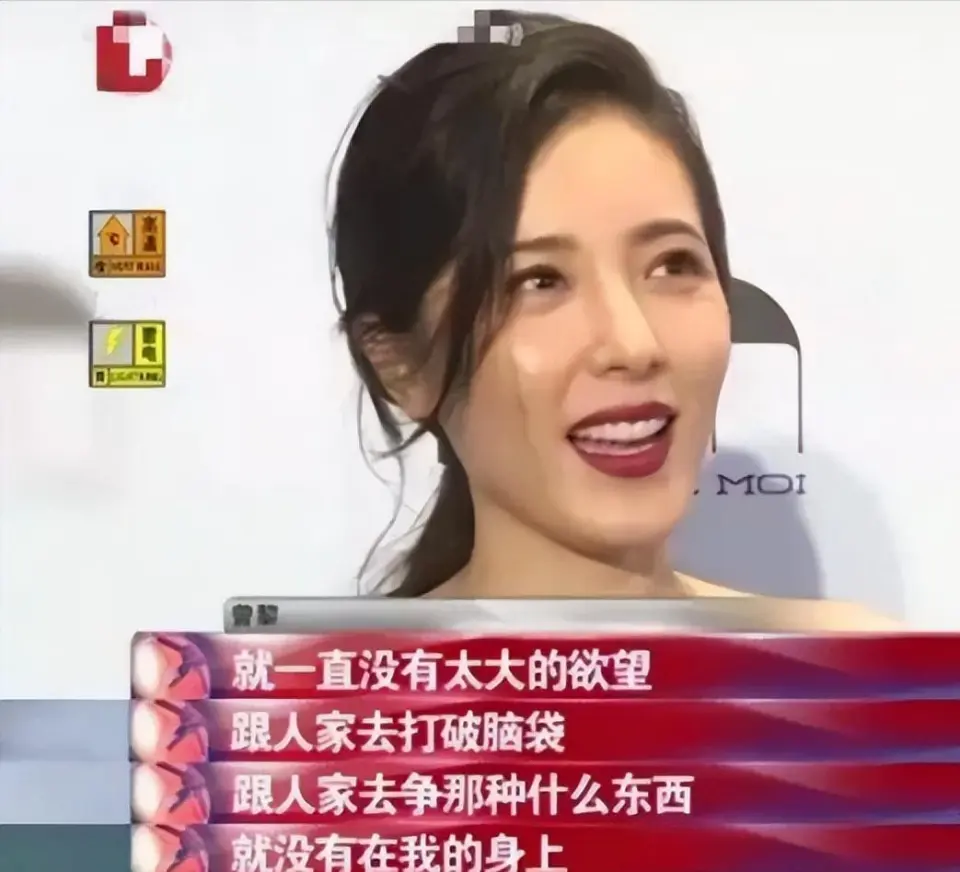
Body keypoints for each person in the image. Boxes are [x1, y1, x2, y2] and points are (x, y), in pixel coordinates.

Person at [330, 11, 896, 629]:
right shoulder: (330, 688)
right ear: (400, 364)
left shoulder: (856, 670)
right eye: (539, 280)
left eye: (672, 265)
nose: (634, 343)